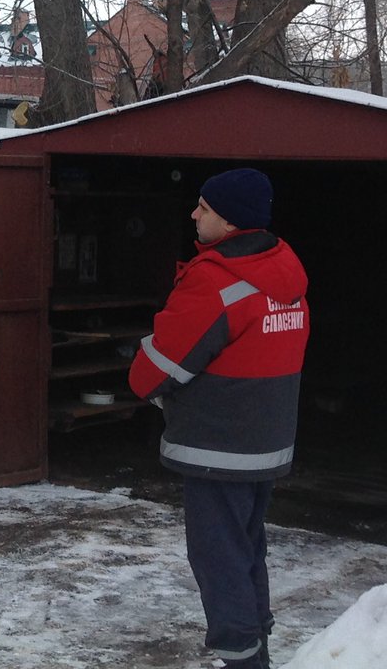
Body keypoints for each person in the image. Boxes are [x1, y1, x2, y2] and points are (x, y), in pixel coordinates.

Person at [128, 169, 309, 669]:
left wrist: (140, 369)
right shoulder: (285, 270)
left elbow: (157, 368)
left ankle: (242, 658)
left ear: (228, 220)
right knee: (246, 548)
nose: (193, 213)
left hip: (218, 448)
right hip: (266, 442)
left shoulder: (216, 280)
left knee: (218, 557)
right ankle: (258, 648)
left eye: (203, 207)